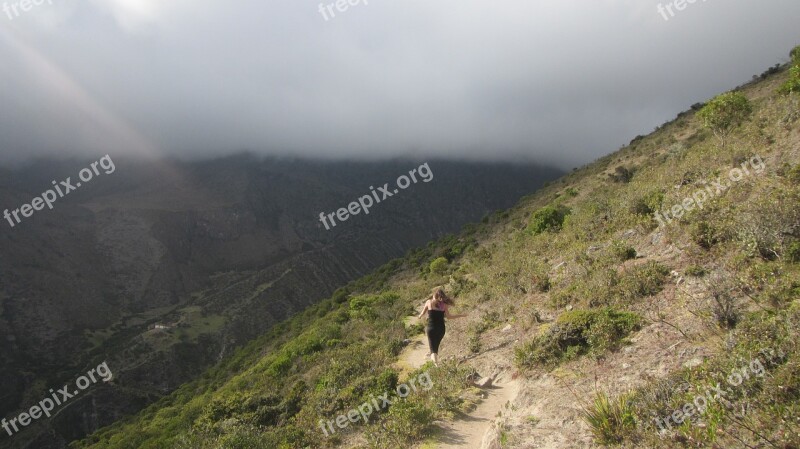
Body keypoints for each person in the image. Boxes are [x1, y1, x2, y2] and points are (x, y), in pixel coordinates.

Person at [417, 287, 466, 366]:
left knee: (433, 350)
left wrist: (419, 316)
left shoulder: (429, 302)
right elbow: (449, 317)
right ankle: (432, 356)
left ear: (433, 295)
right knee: (435, 347)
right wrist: (461, 315)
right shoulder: (444, 305)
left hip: (431, 329)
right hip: (441, 330)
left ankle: (436, 365)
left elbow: (422, 313)